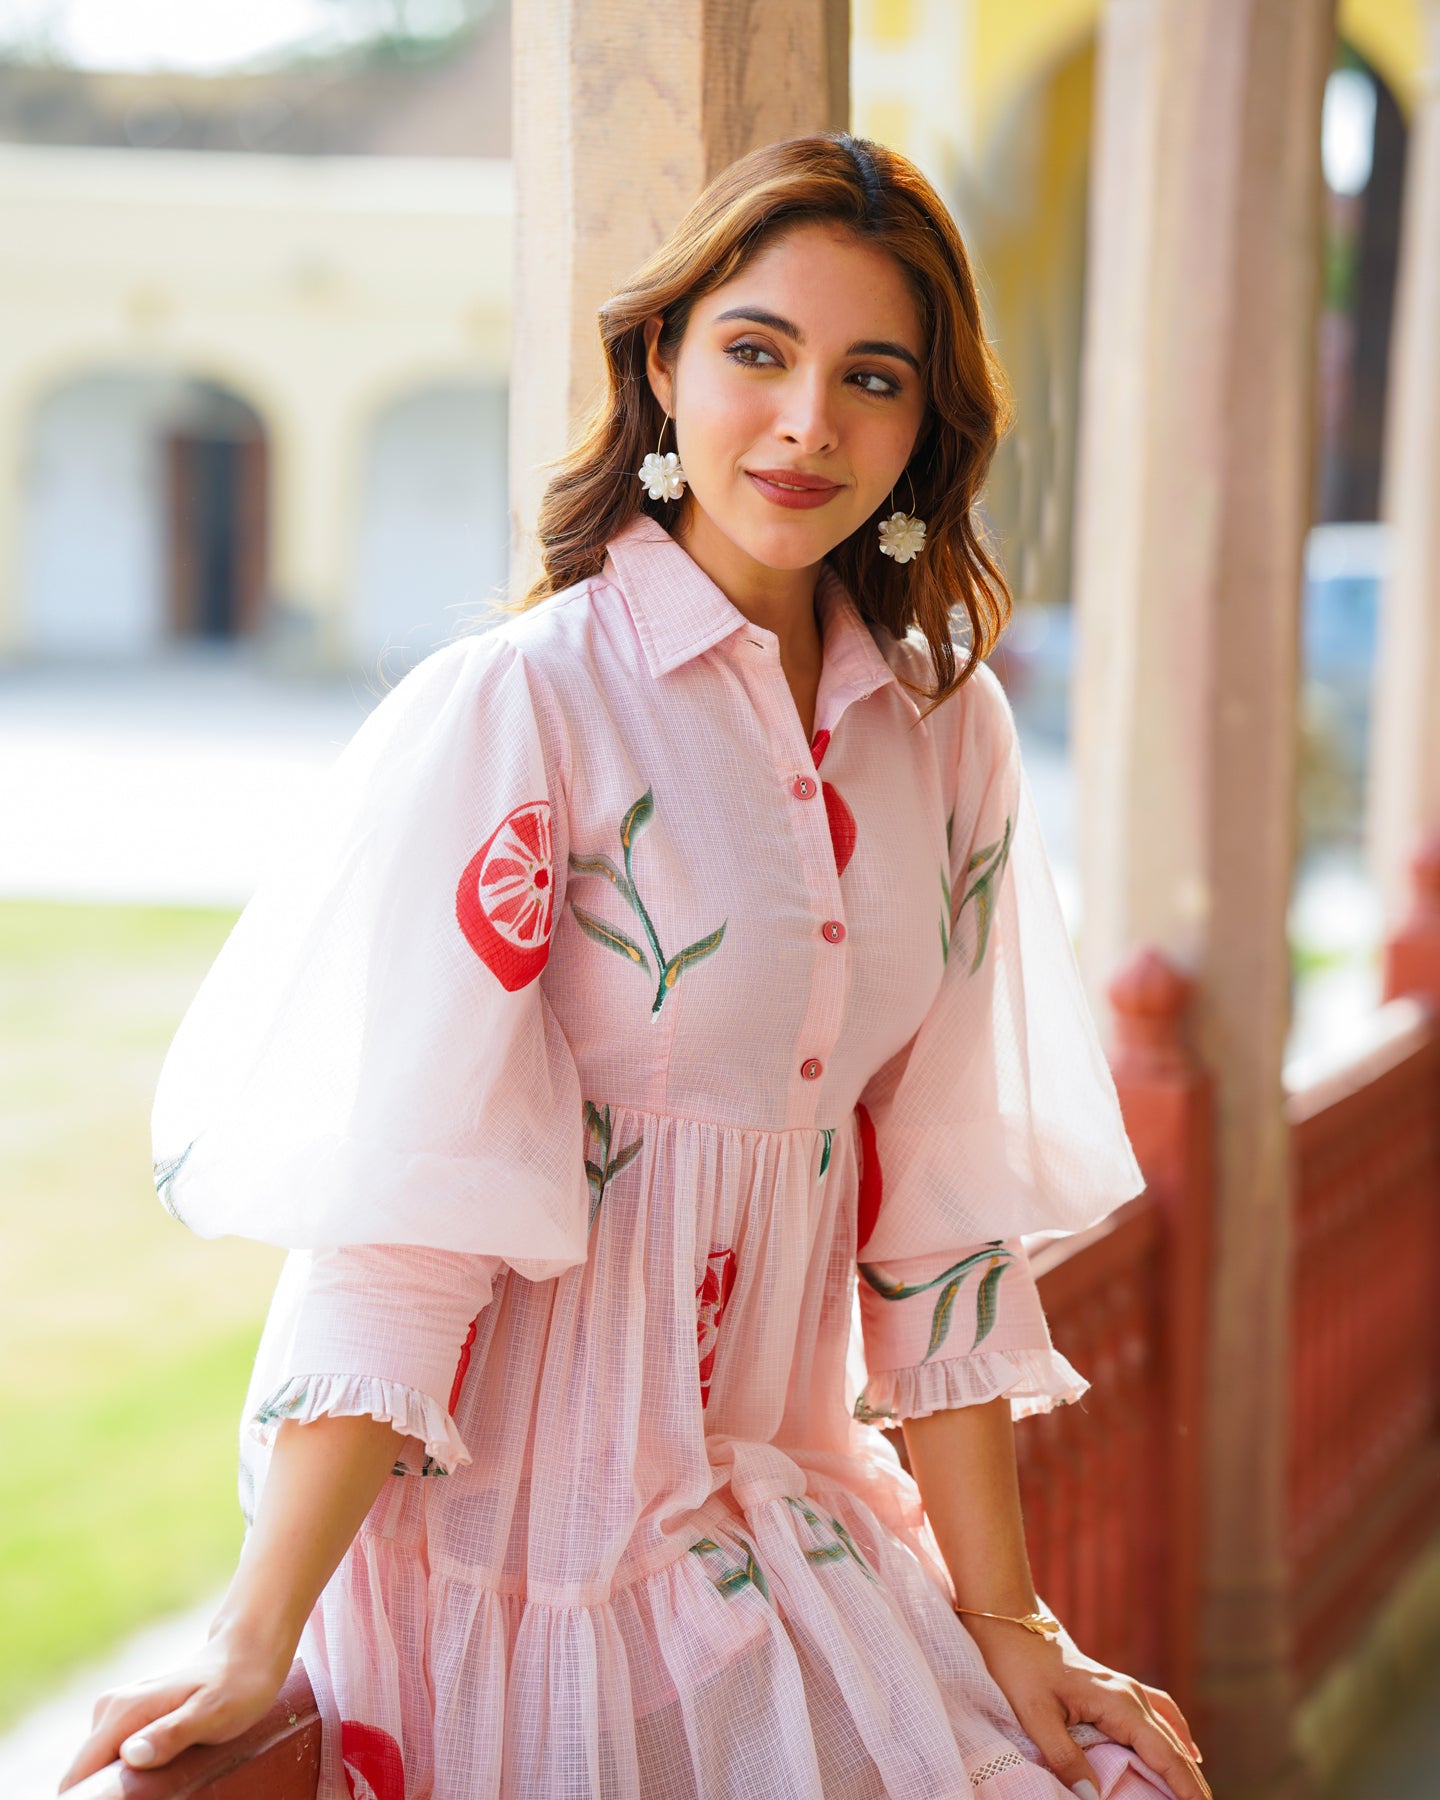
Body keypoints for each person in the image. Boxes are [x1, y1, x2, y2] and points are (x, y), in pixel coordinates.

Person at [61, 133, 1209, 1800]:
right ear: (664, 365)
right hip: (529, 1548)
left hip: (774, 1500)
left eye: (869, 378)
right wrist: (255, 1635)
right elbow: (410, 1209)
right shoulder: (530, 706)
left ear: (923, 427)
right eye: (758, 351)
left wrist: (1013, 1618)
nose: (809, 422)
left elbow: (944, 1217)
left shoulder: (947, 742)